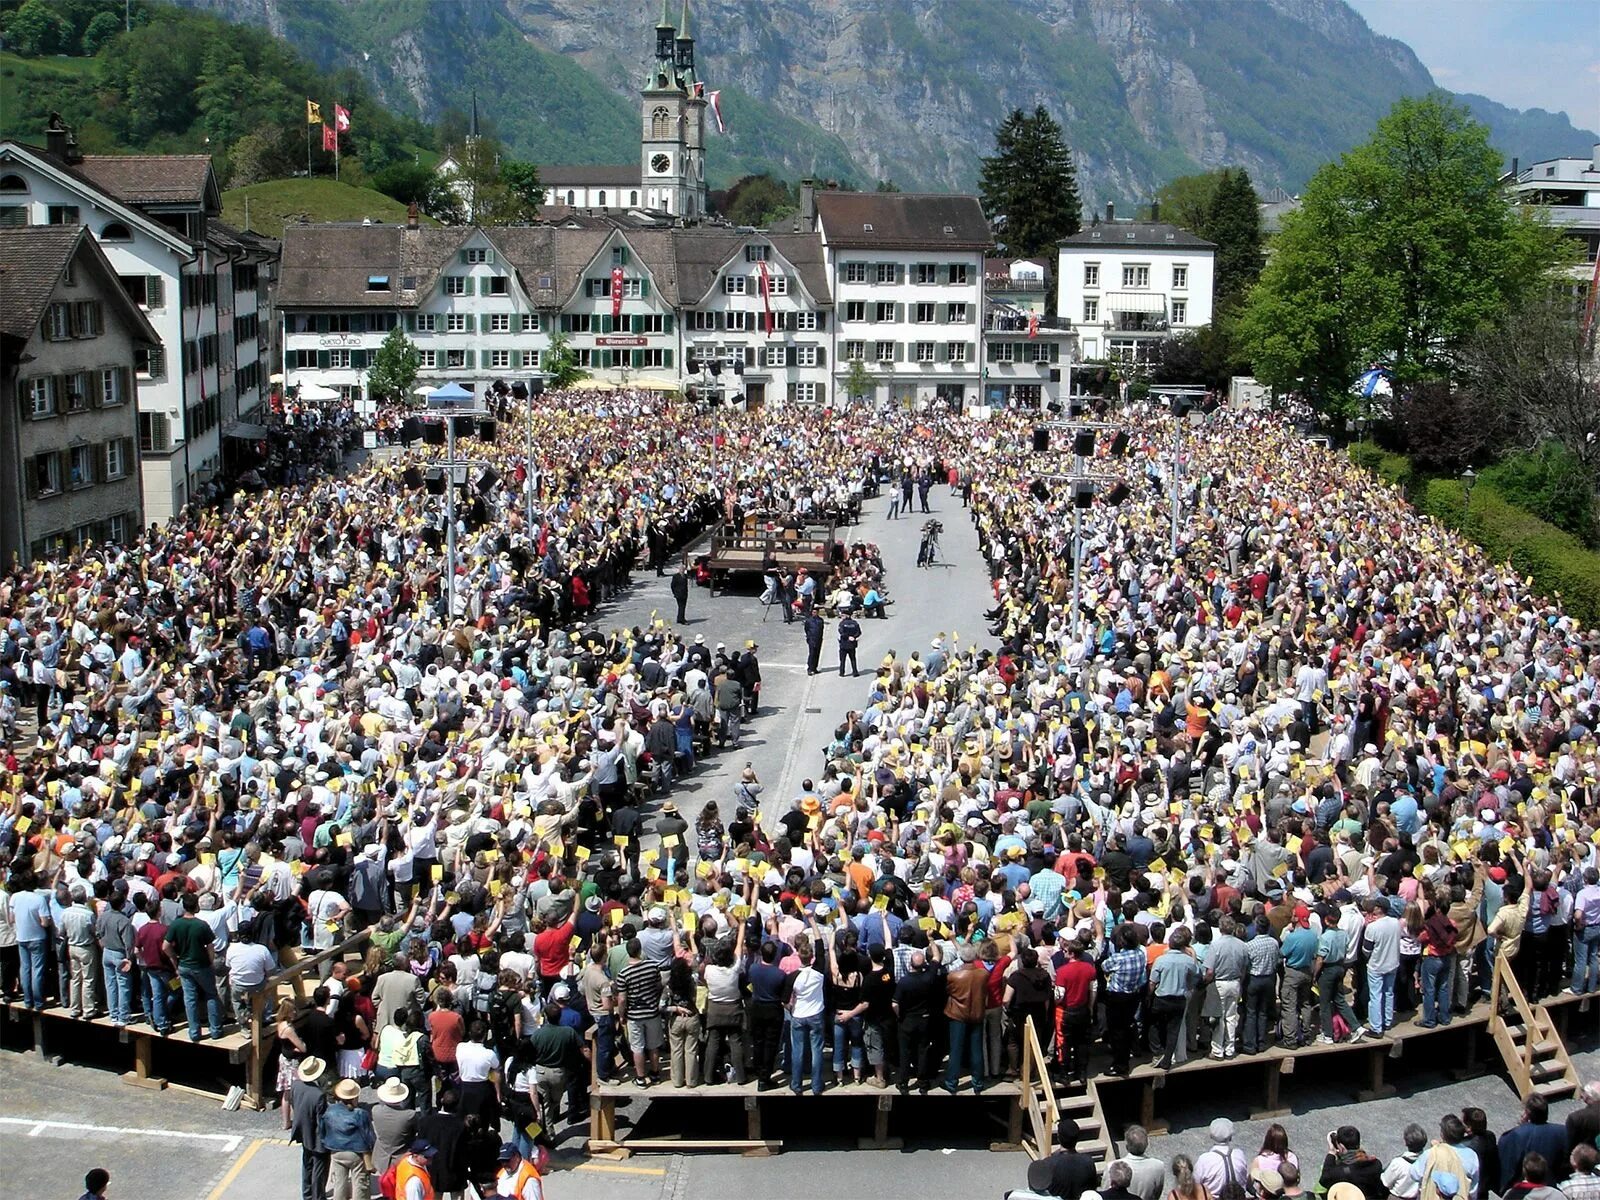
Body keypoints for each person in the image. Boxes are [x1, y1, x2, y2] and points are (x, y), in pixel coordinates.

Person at [1499, 1095, 1570, 1193]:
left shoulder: (1516, 1135)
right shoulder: (1562, 1131)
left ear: (1527, 1113)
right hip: (1552, 1187)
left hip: (1525, 1189)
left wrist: (1522, 1127)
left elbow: (1508, 1167)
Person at [320, 1077, 375, 1200]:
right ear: (354, 1097)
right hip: (357, 1154)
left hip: (336, 1151)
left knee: (339, 1183)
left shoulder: (330, 1111)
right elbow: (369, 1136)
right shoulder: (360, 1113)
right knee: (360, 1184)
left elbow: (322, 1131)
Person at [289, 1056, 330, 1200]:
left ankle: (306, 1195)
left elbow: (293, 1103)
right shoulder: (319, 1094)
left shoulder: (295, 1085)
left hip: (302, 1130)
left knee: (306, 1164)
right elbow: (321, 1120)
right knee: (319, 1168)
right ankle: (318, 1196)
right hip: (317, 1137)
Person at [1320, 1126, 1386, 1200]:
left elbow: (1324, 1180)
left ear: (1341, 1147)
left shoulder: (1339, 1172)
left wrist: (1331, 1152)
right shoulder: (1376, 1164)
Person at [1107, 1125, 1169, 1200]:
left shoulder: (1112, 1167)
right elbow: (1156, 1194)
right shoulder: (1158, 1166)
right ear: (1147, 1145)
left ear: (1126, 1147)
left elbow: (1106, 1192)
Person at [1196, 1118, 1250, 1200]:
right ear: (1231, 1137)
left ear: (1211, 1136)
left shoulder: (1204, 1160)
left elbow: (1195, 1184)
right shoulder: (1239, 1154)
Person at [838, 613, 862, 677]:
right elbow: (859, 632)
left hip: (844, 644)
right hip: (852, 644)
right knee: (853, 659)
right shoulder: (855, 623)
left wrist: (848, 637)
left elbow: (841, 632)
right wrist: (854, 637)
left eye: (843, 615)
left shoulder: (842, 623)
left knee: (842, 659)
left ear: (847, 616)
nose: (841, 617)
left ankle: (842, 672)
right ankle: (855, 672)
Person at [804, 610, 825, 676]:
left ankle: (814, 668)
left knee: (817, 654)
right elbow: (806, 629)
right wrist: (809, 637)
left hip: (819, 639)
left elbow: (821, 629)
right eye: (813, 612)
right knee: (812, 653)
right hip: (812, 639)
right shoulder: (809, 620)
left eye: (815, 612)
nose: (814, 613)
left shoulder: (820, 620)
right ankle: (810, 668)